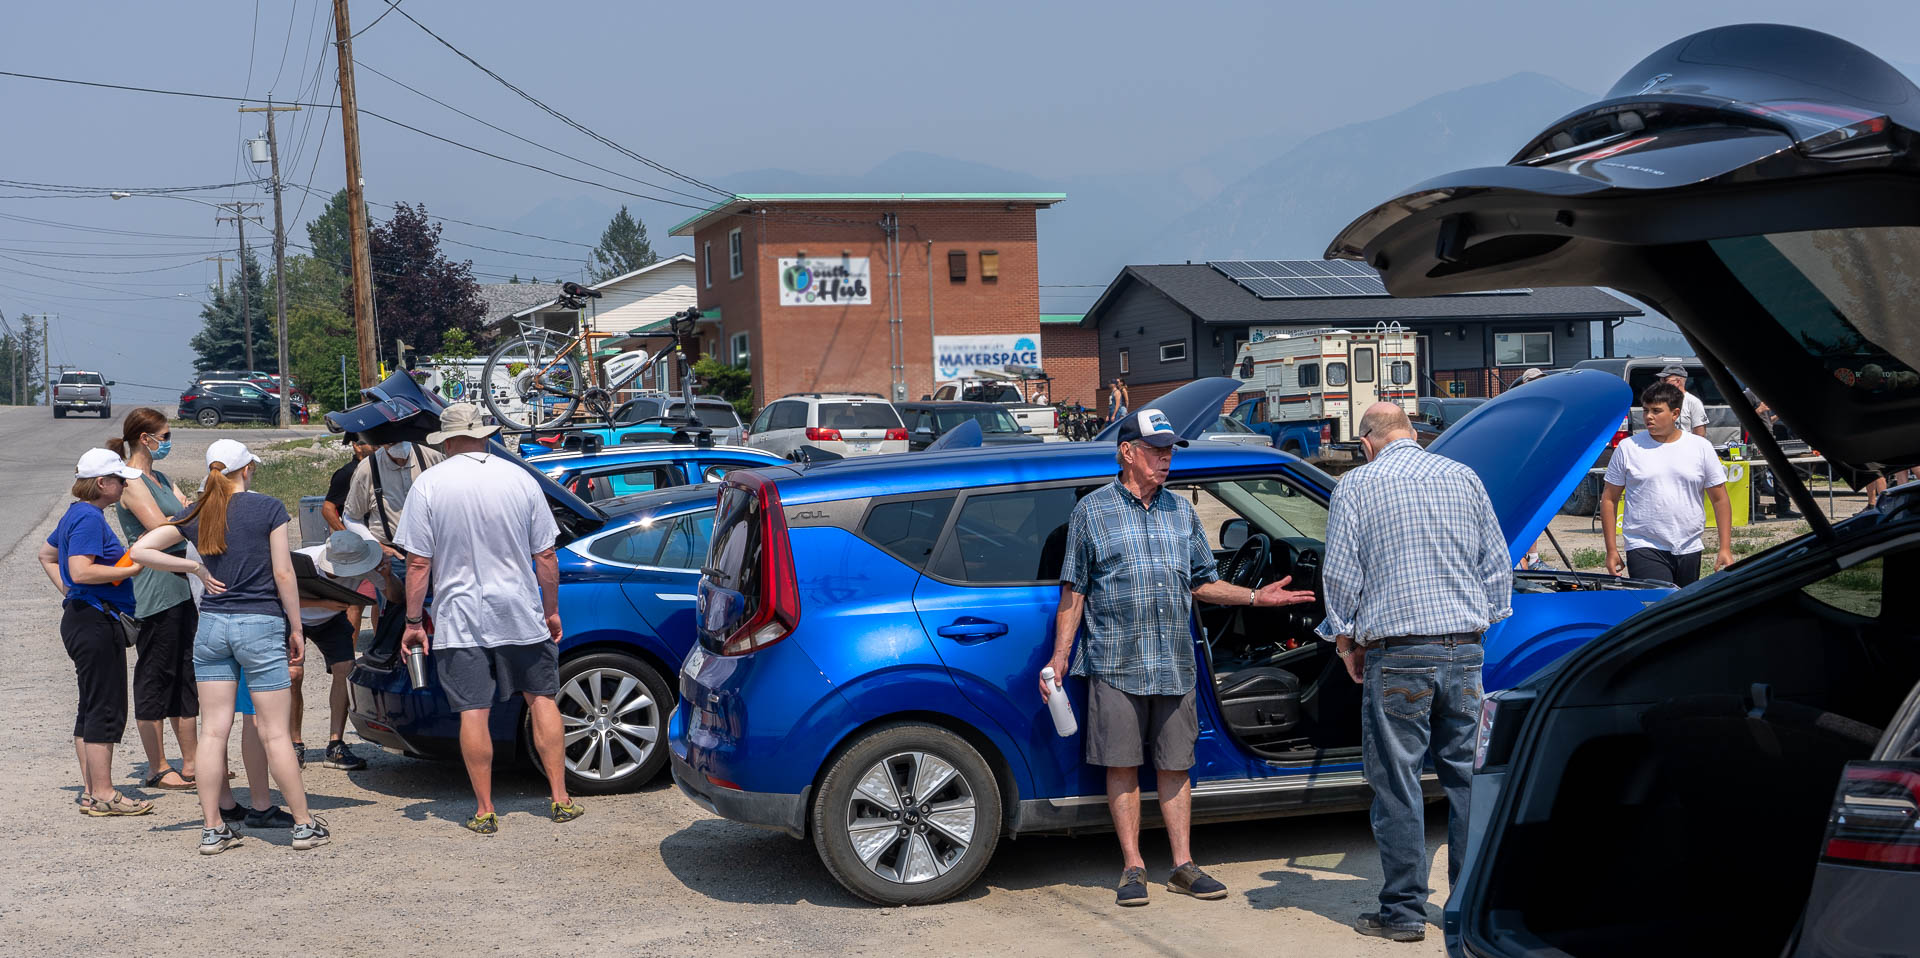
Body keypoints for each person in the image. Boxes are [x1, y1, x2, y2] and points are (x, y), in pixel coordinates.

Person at [1042, 408, 1314, 906]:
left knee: (1175, 765)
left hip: (1173, 662)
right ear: (1128, 453)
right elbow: (1073, 591)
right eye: (1157, 451)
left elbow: (1204, 583)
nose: (1166, 460)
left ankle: (1183, 865)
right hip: (1115, 662)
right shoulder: (1092, 512)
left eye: (1169, 451)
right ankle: (1133, 866)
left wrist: (1259, 598)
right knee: (1121, 764)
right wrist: (1061, 657)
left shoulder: (1181, 511)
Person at [1317, 402, 1511, 943]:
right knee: (1467, 779)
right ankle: (1469, 904)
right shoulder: (1463, 477)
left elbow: (1342, 574)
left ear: (1368, 442)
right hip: (1463, 650)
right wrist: (1477, 631)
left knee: (1397, 782)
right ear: (1412, 433)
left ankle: (1403, 912)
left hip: (1397, 653)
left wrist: (1346, 640)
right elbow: (1496, 562)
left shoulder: (1356, 484)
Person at [132, 438, 330, 855]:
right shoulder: (269, 508)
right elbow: (283, 572)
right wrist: (296, 626)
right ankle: (303, 823)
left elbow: (140, 549)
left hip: (212, 628)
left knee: (213, 732)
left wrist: (194, 567)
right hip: (259, 625)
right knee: (275, 732)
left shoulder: (198, 510)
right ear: (247, 470)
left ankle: (212, 829)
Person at [394, 404, 582, 834]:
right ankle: (560, 797)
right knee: (542, 698)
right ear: (484, 434)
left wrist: (412, 621)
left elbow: (419, 564)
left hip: (458, 614)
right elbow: (546, 556)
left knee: (473, 712)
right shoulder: (520, 479)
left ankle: (484, 808)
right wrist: (550, 610)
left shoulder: (429, 484)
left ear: (448, 439)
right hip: (519, 609)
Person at [38, 449, 155, 817]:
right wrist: (133, 568)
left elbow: (46, 554)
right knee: (105, 706)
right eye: (119, 480)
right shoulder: (89, 517)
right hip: (95, 623)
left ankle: (92, 791)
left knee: (89, 706)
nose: (123, 485)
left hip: (82, 616)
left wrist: (71, 592)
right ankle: (104, 793)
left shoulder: (76, 513)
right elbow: (82, 569)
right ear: (101, 483)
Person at [106, 408, 201, 791]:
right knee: (155, 674)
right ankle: (157, 766)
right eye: (165, 434)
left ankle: (193, 763)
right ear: (145, 438)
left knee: (186, 675)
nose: (168, 441)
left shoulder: (159, 477)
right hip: (154, 588)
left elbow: (188, 514)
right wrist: (192, 519)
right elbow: (163, 528)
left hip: (182, 584)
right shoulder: (131, 481)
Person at [1601, 381, 1734, 587]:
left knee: (1683, 608)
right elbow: (1609, 498)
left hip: (1689, 546)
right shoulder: (1629, 448)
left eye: (1656, 411)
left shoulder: (1700, 447)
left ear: (1675, 414)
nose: (1648, 417)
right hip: (1643, 545)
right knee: (1659, 604)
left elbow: (1720, 499)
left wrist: (1725, 547)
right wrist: (1611, 550)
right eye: (1645, 410)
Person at [290, 528, 382, 771]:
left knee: (345, 669)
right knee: (293, 675)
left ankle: (336, 743)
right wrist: (322, 603)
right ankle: (294, 743)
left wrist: (388, 576)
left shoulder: (364, 561)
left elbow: (391, 592)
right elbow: (276, 594)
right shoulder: (301, 560)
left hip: (331, 620)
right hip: (293, 617)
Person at [321, 434, 374, 532]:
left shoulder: (378, 468)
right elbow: (328, 509)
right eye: (371, 442)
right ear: (357, 446)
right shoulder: (347, 473)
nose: (376, 446)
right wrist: (348, 535)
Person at [1660, 364, 1710, 438]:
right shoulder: (1660, 400)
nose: (1661, 382)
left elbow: (1700, 434)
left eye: (1665, 380)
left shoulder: (1693, 402)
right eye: (1661, 379)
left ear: (1677, 381)